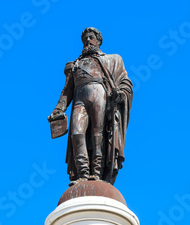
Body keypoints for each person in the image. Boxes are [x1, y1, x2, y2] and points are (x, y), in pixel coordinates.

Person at [49, 27, 133, 185]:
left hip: (99, 93)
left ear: (99, 40)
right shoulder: (74, 65)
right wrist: (58, 109)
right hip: (80, 97)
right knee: (76, 133)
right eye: (85, 38)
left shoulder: (111, 59)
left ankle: (96, 173)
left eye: (92, 37)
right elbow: (67, 91)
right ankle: (82, 174)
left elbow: (125, 81)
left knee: (97, 134)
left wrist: (120, 93)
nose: (88, 40)